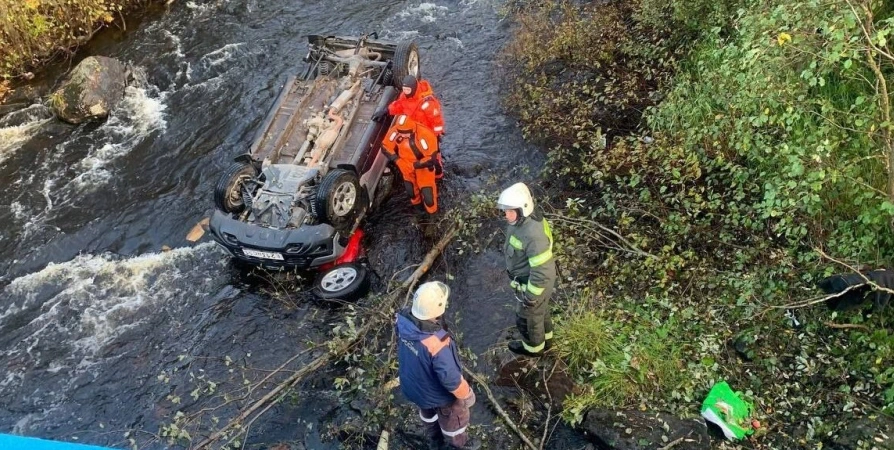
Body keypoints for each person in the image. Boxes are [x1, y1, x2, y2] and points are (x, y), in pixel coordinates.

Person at [396, 281, 479, 450]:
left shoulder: (402, 322)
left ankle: (435, 441)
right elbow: (451, 380)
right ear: (438, 308)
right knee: (456, 417)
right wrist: (467, 395)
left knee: (428, 414)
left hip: (414, 389)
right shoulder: (437, 344)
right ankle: (458, 444)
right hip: (439, 396)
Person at [497, 182, 556, 357]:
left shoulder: (533, 235)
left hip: (533, 285)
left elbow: (543, 272)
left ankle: (533, 350)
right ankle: (547, 341)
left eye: (510, 211)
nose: (506, 215)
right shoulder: (522, 221)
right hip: (529, 281)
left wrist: (531, 297)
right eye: (505, 210)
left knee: (527, 319)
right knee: (541, 313)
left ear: (523, 209)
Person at [381, 114, 441, 214]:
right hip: (405, 166)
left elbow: (431, 158)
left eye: (405, 134)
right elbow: (385, 146)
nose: (403, 136)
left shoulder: (424, 134)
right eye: (401, 133)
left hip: (423, 167)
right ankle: (419, 213)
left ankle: (433, 214)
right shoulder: (396, 131)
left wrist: (414, 165)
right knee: (411, 192)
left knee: (428, 197)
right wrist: (398, 161)